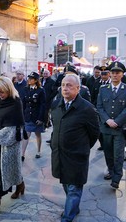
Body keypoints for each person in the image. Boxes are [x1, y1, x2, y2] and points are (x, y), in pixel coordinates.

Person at [51, 74, 99, 222]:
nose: (65, 88)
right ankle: (74, 207)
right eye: (64, 85)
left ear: (78, 89)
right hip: (59, 154)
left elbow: (94, 133)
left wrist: (82, 148)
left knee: (73, 187)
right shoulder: (57, 105)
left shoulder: (87, 108)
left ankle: (68, 217)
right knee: (66, 183)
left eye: (69, 85)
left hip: (77, 156)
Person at [0, 76, 25, 217]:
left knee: (5, 171)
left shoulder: (16, 102)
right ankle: (20, 184)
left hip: (11, 141)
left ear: (9, 89)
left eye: (2, 92)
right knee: (3, 170)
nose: (0, 95)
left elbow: (15, 126)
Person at [97, 62, 126, 189]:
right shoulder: (103, 89)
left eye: (117, 72)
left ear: (122, 74)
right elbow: (99, 106)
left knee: (118, 155)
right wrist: (107, 120)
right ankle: (111, 171)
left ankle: (116, 178)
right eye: (113, 72)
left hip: (120, 128)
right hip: (106, 128)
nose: (114, 75)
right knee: (108, 153)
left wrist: (117, 121)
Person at [21, 72, 46, 160]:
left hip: (36, 116)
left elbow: (43, 105)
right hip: (28, 115)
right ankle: (22, 154)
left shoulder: (40, 90)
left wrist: (40, 118)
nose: (29, 80)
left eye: (31, 79)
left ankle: (38, 151)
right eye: (29, 78)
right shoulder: (26, 89)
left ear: (35, 80)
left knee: (37, 134)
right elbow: (23, 102)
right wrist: (22, 114)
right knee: (26, 134)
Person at [91, 66, 111, 151]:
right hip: (98, 109)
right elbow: (93, 96)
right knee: (99, 128)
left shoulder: (111, 84)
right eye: (102, 74)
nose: (103, 76)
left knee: (107, 127)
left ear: (109, 74)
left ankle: (108, 144)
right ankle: (103, 144)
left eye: (105, 74)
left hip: (109, 110)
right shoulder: (97, 83)